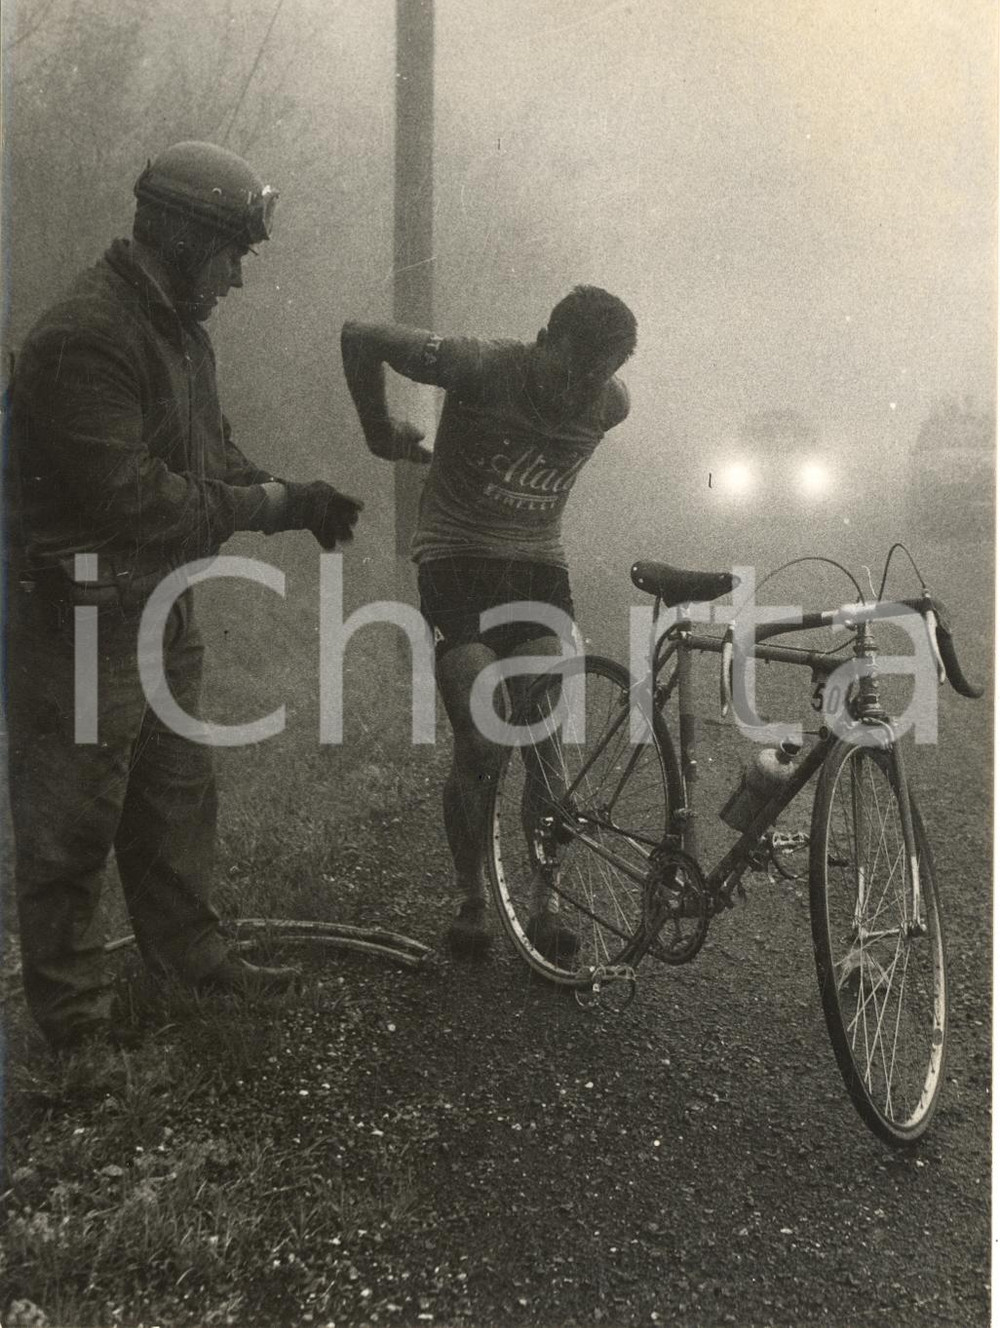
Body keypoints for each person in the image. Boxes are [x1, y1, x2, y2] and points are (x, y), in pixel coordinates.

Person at [5, 141, 363, 1050]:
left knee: (175, 798)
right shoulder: (87, 334)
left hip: (155, 607)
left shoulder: (176, 330)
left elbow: (209, 460)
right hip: (79, 620)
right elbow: (131, 494)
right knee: (72, 825)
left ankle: (192, 962)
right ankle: (76, 1038)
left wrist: (294, 496)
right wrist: (269, 505)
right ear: (180, 234)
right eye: (232, 252)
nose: (239, 277)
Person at [341, 286, 636, 958]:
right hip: (456, 559)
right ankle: (470, 900)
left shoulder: (611, 403)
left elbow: (591, 393)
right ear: (540, 339)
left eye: (594, 379)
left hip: (537, 567)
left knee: (542, 736)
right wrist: (376, 431)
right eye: (567, 372)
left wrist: (589, 388)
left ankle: (544, 903)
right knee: (479, 738)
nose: (576, 392)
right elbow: (360, 334)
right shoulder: (482, 365)